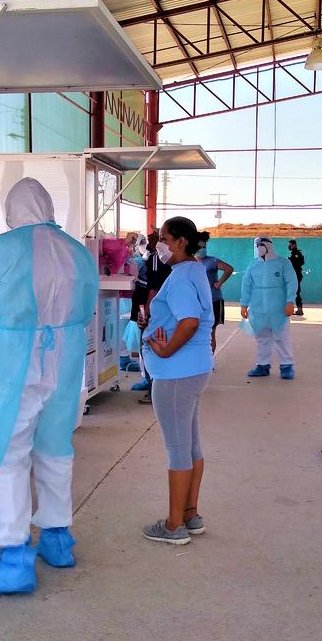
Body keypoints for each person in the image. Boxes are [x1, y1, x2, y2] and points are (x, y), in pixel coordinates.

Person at [0, 177, 99, 594]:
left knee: (9, 453)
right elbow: (87, 304)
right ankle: (57, 539)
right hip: (65, 358)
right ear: (48, 207)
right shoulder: (76, 250)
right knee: (55, 449)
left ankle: (14, 556)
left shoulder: (2, 249)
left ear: (11, 210)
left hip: (13, 361)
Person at [138, 217, 214, 545]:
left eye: (164, 239)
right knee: (190, 444)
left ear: (181, 241)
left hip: (176, 373)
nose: (159, 245)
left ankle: (173, 525)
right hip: (194, 369)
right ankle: (190, 513)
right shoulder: (194, 270)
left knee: (178, 448)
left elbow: (190, 321)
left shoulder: (181, 277)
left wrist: (165, 350)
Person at [240, 236, 299, 380]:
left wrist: (290, 302)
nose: (259, 247)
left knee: (281, 337)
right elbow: (246, 285)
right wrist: (244, 304)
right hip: (258, 308)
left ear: (269, 246)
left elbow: (292, 282)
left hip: (279, 307)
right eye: (257, 245)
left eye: (262, 244)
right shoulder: (253, 265)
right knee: (262, 338)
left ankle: (286, 366)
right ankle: (263, 365)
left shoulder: (283, 263)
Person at [132, 230, 173, 402]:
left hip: (153, 314)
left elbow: (153, 290)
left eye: (154, 239)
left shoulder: (157, 260)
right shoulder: (163, 260)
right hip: (155, 312)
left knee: (150, 348)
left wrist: (146, 312)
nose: (149, 243)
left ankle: (154, 390)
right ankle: (154, 386)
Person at [197, 231, 234, 354]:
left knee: (211, 331)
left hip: (214, 300)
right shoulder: (191, 263)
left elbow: (229, 269)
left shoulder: (212, 261)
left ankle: (209, 359)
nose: (202, 249)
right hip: (198, 302)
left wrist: (219, 283)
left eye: (204, 247)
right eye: (200, 247)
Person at [287, 239, 306, 316]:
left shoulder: (297, 254)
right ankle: (297, 309)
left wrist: (291, 261)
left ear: (294, 245)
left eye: (290, 245)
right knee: (294, 291)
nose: (289, 246)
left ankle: (299, 309)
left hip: (296, 274)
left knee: (296, 292)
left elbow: (300, 263)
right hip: (294, 274)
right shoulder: (294, 254)